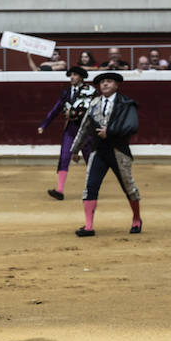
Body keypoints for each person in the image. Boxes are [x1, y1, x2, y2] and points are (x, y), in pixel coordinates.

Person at [69, 71, 142, 236]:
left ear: (116, 85)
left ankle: (136, 219)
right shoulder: (94, 103)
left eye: (109, 82)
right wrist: (75, 149)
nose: (105, 84)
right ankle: (89, 226)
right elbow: (85, 128)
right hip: (99, 151)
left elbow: (132, 126)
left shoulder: (126, 103)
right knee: (90, 187)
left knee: (129, 187)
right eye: (102, 82)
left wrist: (110, 132)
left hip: (119, 152)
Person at [38, 65, 94, 200]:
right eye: (71, 75)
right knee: (64, 158)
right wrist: (44, 125)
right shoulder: (66, 93)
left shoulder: (90, 91)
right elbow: (56, 109)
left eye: (75, 75)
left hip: (85, 130)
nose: (72, 77)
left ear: (81, 77)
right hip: (70, 129)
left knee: (90, 160)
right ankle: (60, 190)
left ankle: (91, 189)